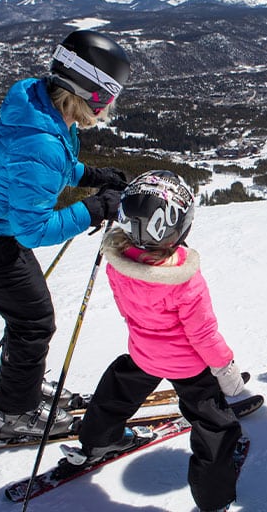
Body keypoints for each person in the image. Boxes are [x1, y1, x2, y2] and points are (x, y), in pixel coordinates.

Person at [0, 29, 132, 438]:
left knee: (30, 313)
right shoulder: (40, 140)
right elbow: (35, 230)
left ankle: (19, 387)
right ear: (89, 89)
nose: (110, 104)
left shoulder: (39, 106)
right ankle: (14, 413)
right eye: (109, 92)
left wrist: (91, 175)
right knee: (33, 319)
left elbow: (38, 169)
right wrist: (96, 207)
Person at [71, 170, 245, 512]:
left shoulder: (117, 265)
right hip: (189, 368)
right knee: (215, 428)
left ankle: (97, 440)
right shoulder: (184, 279)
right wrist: (225, 368)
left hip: (144, 354)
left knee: (116, 390)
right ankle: (214, 499)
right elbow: (203, 333)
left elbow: (132, 307)